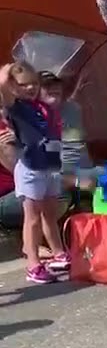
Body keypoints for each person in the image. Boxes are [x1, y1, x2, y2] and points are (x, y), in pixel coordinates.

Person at [0, 63, 69, 284]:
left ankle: (58, 253)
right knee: (33, 218)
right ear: (13, 87)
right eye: (23, 84)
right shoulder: (16, 107)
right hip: (30, 167)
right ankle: (33, 264)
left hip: (49, 165)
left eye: (34, 83)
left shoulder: (42, 106)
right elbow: (2, 84)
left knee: (50, 214)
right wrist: (8, 70)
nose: (30, 87)